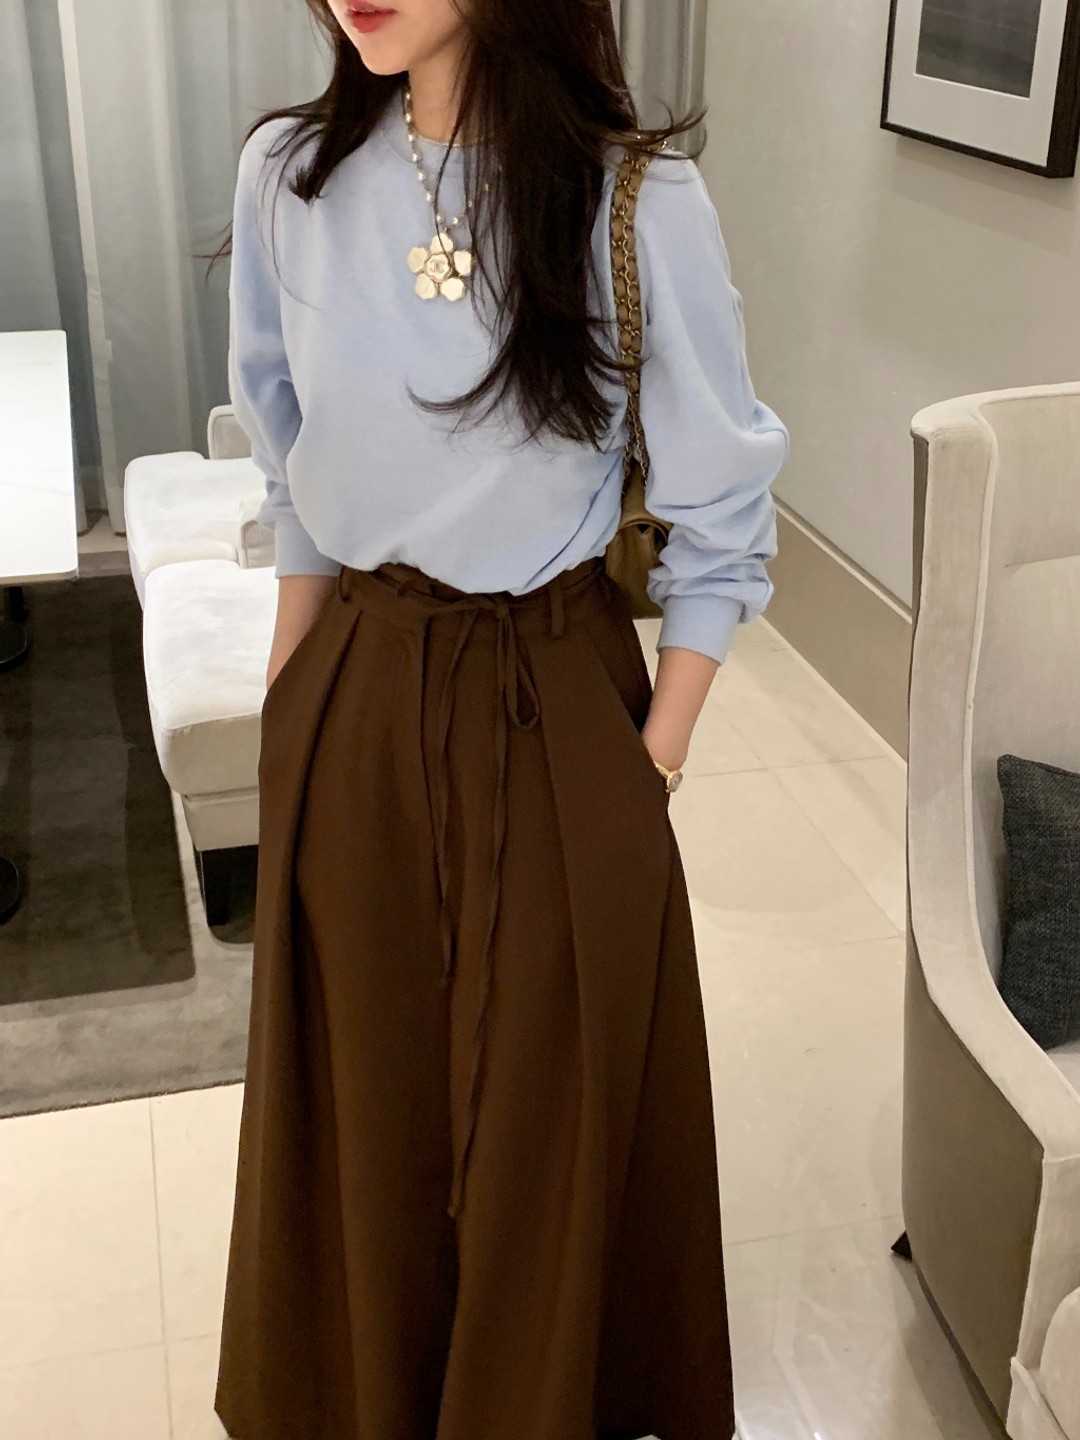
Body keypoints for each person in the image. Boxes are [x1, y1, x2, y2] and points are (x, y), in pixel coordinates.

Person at [211, 1, 789, 1437]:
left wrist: (650, 761)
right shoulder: (289, 179)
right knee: (367, 1111)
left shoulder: (634, 198)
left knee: (549, 1123)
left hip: (558, 690)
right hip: (353, 684)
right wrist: (289, 716)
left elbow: (723, 522)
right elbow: (294, 477)